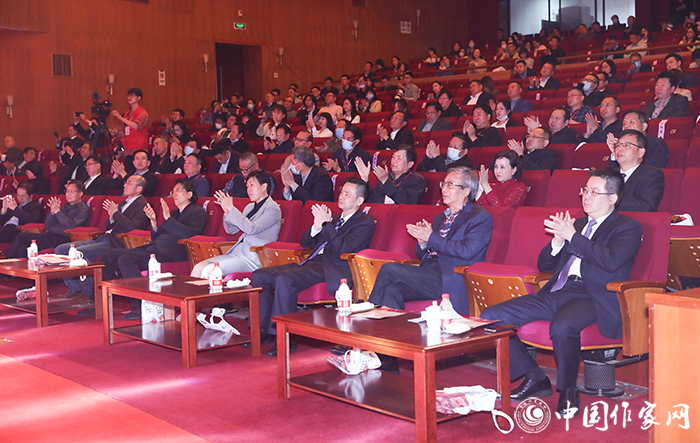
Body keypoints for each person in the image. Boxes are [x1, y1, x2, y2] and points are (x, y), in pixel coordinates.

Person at [481, 168, 643, 419]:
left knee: (563, 326)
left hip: (592, 295)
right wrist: (557, 242)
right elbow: (545, 265)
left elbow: (611, 261)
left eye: (594, 192)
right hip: (558, 290)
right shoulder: (577, 224)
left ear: (612, 198)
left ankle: (568, 390)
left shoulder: (627, 227)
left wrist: (573, 237)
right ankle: (536, 378)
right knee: (491, 317)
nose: (586, 196)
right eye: (585, 190)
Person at [252, 178, 376, 356]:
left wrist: (326, 225)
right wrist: (317, 227)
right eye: (341, 191)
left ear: (359, 200)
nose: (341, 196)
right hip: (312, 263)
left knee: (285, 278)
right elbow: (305, 242)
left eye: (347, 194)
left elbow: (344, 248)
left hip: (332, 268)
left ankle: (286, 337)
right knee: (260, 275)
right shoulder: (333, 219)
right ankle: (266, 330)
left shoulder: (364, 223)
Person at [368, 167, 492, 315]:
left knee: (389, 268)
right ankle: (394, 328)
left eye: (450, 185)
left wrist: (431, 237)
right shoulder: (440, 217)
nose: (444, 189)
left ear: (466, 191)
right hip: (429, 273)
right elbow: (424, 255)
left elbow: (467, 251)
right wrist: (423, 242)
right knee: (391, 290)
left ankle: (368, 317)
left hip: (451, 276)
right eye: (443, 184)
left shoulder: (479, 216)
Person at [101, 179, 208, 320]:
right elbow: (157, 235)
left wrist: (168, 219)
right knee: (108, 255)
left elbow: (189, 234)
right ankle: (98, 300)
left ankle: (141, 305)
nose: (174, 194)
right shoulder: (174, 213)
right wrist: (153, 222)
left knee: (126, 260)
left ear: (189, 194)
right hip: (154, 249)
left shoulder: (198, 213)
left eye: (178, 190)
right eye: (172, 191)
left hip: (171, 253)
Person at [59, 175, 150, 314]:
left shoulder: (143, 205)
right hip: (103, 236)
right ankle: (74, 288)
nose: (124, 185)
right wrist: (112, 217)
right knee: (61, 249)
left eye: (129, 183)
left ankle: (88, 294)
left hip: (116, 242)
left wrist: (116, 214)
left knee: (79, 253)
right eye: (125, 182)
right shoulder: (122, 203)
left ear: (139, 189)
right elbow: (110, 225)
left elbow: (133, 227)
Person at [191, 171, 281, 279]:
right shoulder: (250, 207)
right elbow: (231, 230)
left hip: (253, 258)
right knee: (199, 267)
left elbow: (252, 228)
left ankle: (208, 290)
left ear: (264, 187)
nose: (249, 189)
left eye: (252, 185)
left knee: (209, 270)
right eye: (247, 186)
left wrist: (232, 208)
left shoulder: (273, 209)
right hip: (237, 254)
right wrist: (227, 212)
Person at [5, 181, 90, 258]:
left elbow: (71, 225)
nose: (68, 194)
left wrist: (57, 212)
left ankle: (4, 261)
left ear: (80, 194)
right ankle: (19, 269)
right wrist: (52, 212)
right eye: (67, 191)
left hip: (64, 238)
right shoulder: (65, 207)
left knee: (22, 236)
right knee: (21, 248)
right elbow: (48, 225)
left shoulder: (83, 208)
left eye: (71, 191)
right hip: (51, 235)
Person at [605, 129, 664, 212]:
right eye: (618, 145)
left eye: (626, 145)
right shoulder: (610, 175)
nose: (620, 149)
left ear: (640, 152)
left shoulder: (652, 175)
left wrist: (609, 199)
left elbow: (645, 206)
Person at [355, 145, 425, 205]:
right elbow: (372, 200)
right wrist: (365, 179)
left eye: (399, 158)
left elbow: (407, 201)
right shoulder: (387, 175)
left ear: (410, 164)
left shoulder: (416, 180)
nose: (394, 161)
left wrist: (386, 181)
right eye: (393, 157)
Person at [109, 88, 149, 157]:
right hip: (128, 148)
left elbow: (136, 126)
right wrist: (116, 133)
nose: (129, 98)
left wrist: (121, 118)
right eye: (129, 96)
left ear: (139, 98)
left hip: (139, 148)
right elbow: (126, 131)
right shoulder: (127, 114)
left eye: (132, 95)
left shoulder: (142, 113)